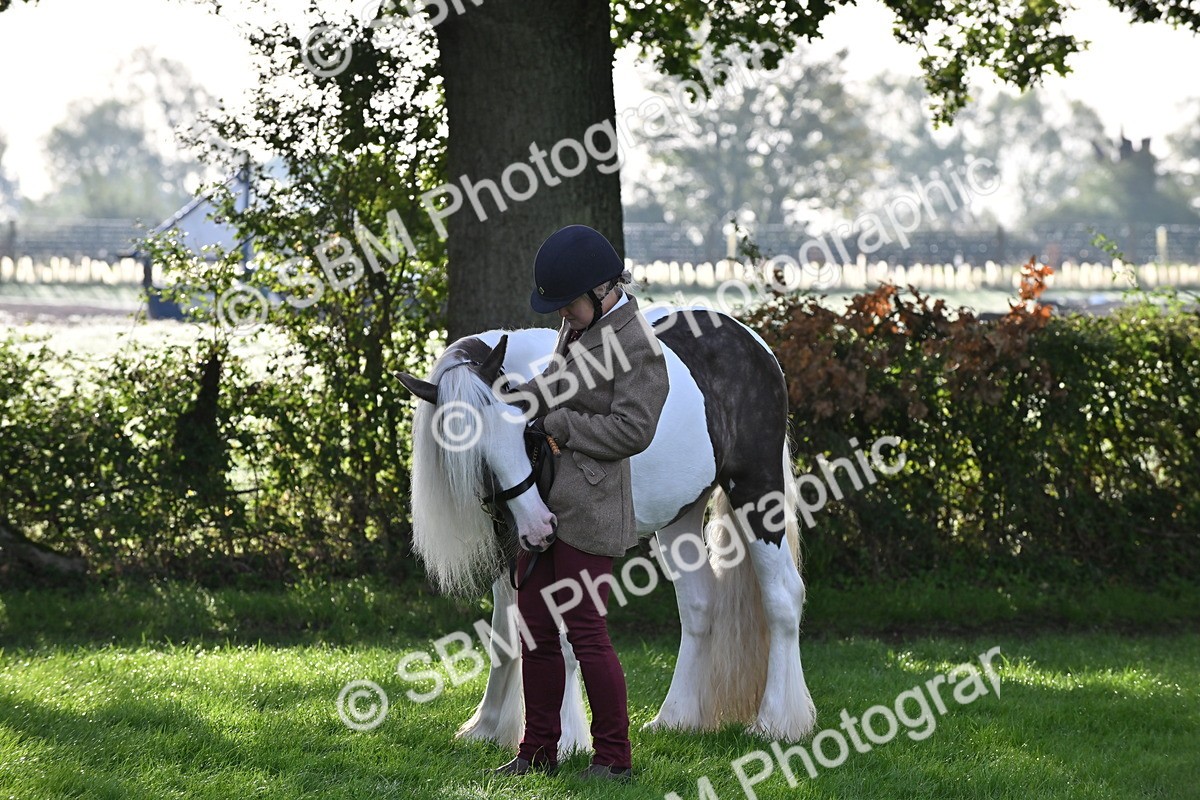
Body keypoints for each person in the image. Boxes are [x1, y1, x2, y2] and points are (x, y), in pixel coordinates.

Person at [494, 224, 669, 782]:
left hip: (592, 506)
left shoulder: (639, 344)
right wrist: (520, 397)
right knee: (534, 628)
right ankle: (538, 750)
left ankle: (614, 759)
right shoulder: (578, 326)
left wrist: (560, 424)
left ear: (603, 291)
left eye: (567, 305)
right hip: (545, 499)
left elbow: (633, 430)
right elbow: (557, 385)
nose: (561, 317)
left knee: (586, 633)